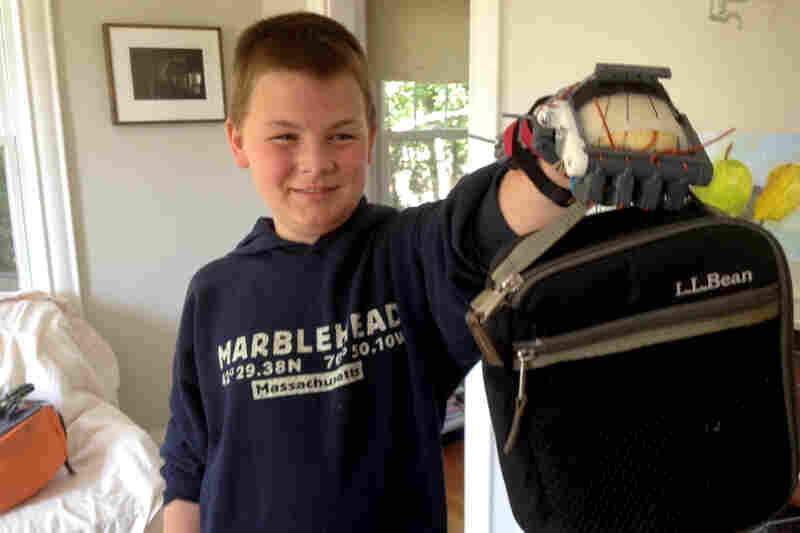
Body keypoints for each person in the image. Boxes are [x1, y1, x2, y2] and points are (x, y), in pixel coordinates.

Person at [159, 11, 572, 533]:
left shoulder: (406, 257)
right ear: (238, 141)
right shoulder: (213, 292)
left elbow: (475, 229)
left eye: (341, 136)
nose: (315, 162)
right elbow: (188, 460)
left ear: (371, 137)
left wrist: (561, 162)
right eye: (284, 137)